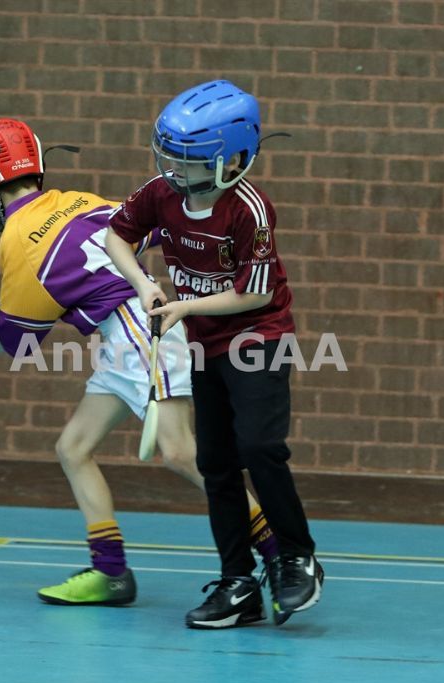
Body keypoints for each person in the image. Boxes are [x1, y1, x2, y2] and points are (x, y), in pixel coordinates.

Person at [0, 117, 278, 607]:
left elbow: (21, 342)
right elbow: (147, 233)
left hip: (142, 334)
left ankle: (278, 551)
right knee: (74, 447)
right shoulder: (77, 201)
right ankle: (110, 571)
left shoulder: (16, 239)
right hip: (123, 338)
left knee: (181, 453)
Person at [105, 80, 323, 628]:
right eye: (171, 158)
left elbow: (255, 294)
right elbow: (116, 237)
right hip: (204, 341)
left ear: (233, 160)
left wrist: (184, 306)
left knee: (260, 446)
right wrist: (143, 284)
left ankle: (297, 556)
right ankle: (238, 582)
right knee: (217, 464)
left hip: (257, 337)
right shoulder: (160, 193)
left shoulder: (250, 210)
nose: (176, 170)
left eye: (191, 160)